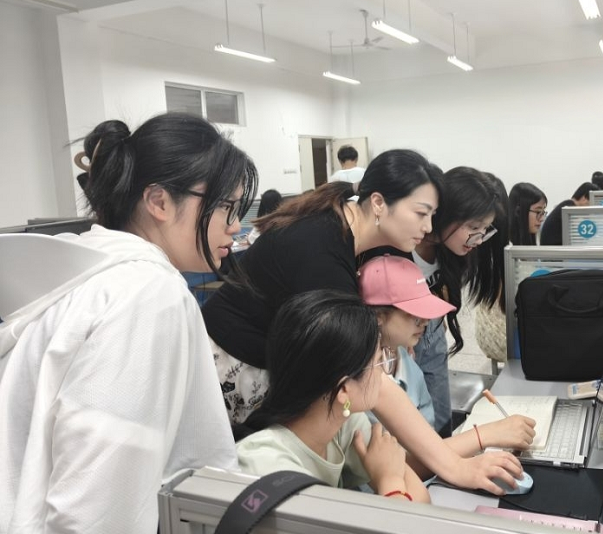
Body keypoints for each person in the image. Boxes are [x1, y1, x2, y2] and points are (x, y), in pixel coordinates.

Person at [202, 149, 523, 494]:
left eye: (432, 215)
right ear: (379, 203)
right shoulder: (321, 251)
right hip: (230, 370)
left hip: (263, 366)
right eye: (421, 213)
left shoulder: (348, 234)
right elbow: (368, 376)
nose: (429, 227)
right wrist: (455, 467)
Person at [0, 113, 258, 532]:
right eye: (226, 206)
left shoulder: (93, 273)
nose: (234, 226)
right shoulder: (147, 294)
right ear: (159, 201)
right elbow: (95, 505)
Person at [236, 290, 430, 503]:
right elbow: (406, 517)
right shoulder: (267, 467)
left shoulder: (343, 421)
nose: (383, 372)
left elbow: (421, 498)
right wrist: (390, 480)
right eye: (378, 361)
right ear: (344, 390)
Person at [359, 254, 536, 457]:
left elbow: (428, 440)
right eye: (415, 316)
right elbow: (403, 462)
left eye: (427, 312)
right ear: (379, 317)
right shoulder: (364, 382)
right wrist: (484, 436)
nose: (426, 322)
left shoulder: (404, 360)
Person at [413, 167, 506, 435]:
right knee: (411, 426)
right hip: (398, 343)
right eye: (474, 227)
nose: (479, 239)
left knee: (441, 419)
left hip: (430, 333)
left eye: (485, 229)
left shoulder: (452, 251)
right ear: (447, 213)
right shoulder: (408, 245)